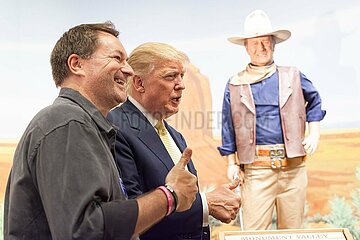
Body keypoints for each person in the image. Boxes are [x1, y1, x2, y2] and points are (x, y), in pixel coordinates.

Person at [3, 22, 199, 240]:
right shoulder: (68, 122)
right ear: (76, 64)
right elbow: (85, 230)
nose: (128, 69)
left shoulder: (82, 124)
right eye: (117, 58)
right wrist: (169, 196)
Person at [107, 42, 241, 240]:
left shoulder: (175, 135)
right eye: (170, 76)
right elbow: (132, 213)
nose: (182, 85)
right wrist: (206, 204)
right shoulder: (116, 126)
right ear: (139, 83)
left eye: (182, 76)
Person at [218, 10, 326, 230]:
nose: (261, 48)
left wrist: (314, 132)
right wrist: (230, 162)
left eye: (266, 42)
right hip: (257, 170)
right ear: (246, 47)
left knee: (292, 232)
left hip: (294, 168)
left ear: (274, 44)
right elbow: (228, 124)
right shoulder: (235, 83)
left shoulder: (293, 76)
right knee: (254, 232)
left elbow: (314, 101)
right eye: (255, 43)